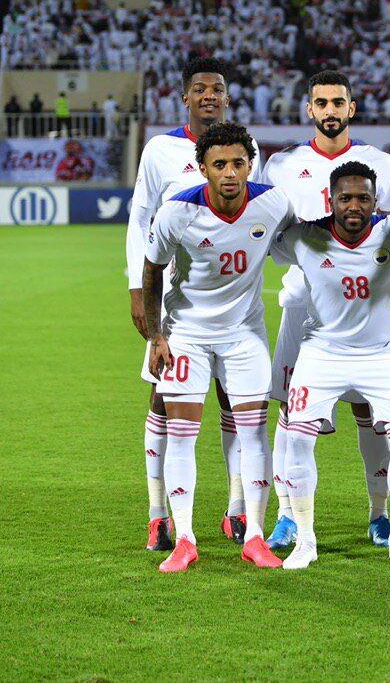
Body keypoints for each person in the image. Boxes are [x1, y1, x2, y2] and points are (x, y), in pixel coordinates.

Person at [258, 70, 390, 551]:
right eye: (321, 103)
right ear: (309, 109)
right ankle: (287, 515)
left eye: (338, 102)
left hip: (362, 309)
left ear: (351, 108)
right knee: (291, 413)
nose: (329, 111)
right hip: (301, 305)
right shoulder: (282, 165)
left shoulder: (377, 162)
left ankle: (379, 513)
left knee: (369, 410)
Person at [140, 120, 293, 573]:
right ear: (202, 168)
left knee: (254, 433)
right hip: (187, 334)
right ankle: (185, 540)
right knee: (182, 434)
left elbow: (307, 236)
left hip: (244, 335)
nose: (230, 172)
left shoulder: (273, 203)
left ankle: (255, 537)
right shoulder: (177, 212)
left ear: (250, 165)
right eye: (220, 164)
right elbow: (151, 270)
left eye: (238, 163)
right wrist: (156, 335)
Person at [126, 57, 259, 553]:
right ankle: (158, 514)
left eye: (217, 88)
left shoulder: (244, 146)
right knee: (164, 398)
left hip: (232, 299)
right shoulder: (160, 150)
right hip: (173, 297)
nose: (209, 95)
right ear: (185, 97)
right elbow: (140, 218)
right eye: (200, 88)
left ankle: (237, 509)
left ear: (226, 96)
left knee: (233, 399)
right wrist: (136, 288)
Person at [269, 161, 390, 570]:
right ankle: (305, 540)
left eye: (363, 198)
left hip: (384, 353)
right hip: (322, 352)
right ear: (331, 200)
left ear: (376, 201)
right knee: (298, 438)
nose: (354, 205)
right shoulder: (304, 236)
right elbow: (257, 242)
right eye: (345, 198)